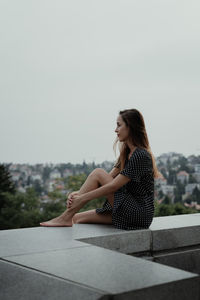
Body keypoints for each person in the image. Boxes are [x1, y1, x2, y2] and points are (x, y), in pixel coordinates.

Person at [40, 108, 160, 230]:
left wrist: (81, 198)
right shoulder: (126, 153)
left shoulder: (140, 155)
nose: (115, 130)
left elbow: (113, 186)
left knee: (98, 172)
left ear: (130, 127)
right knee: (76, 218)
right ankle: (67, 217)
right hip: (125, 210)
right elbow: (107, 179)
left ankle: (64, 218)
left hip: (138, 213)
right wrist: (78, 193)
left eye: (119, 125)